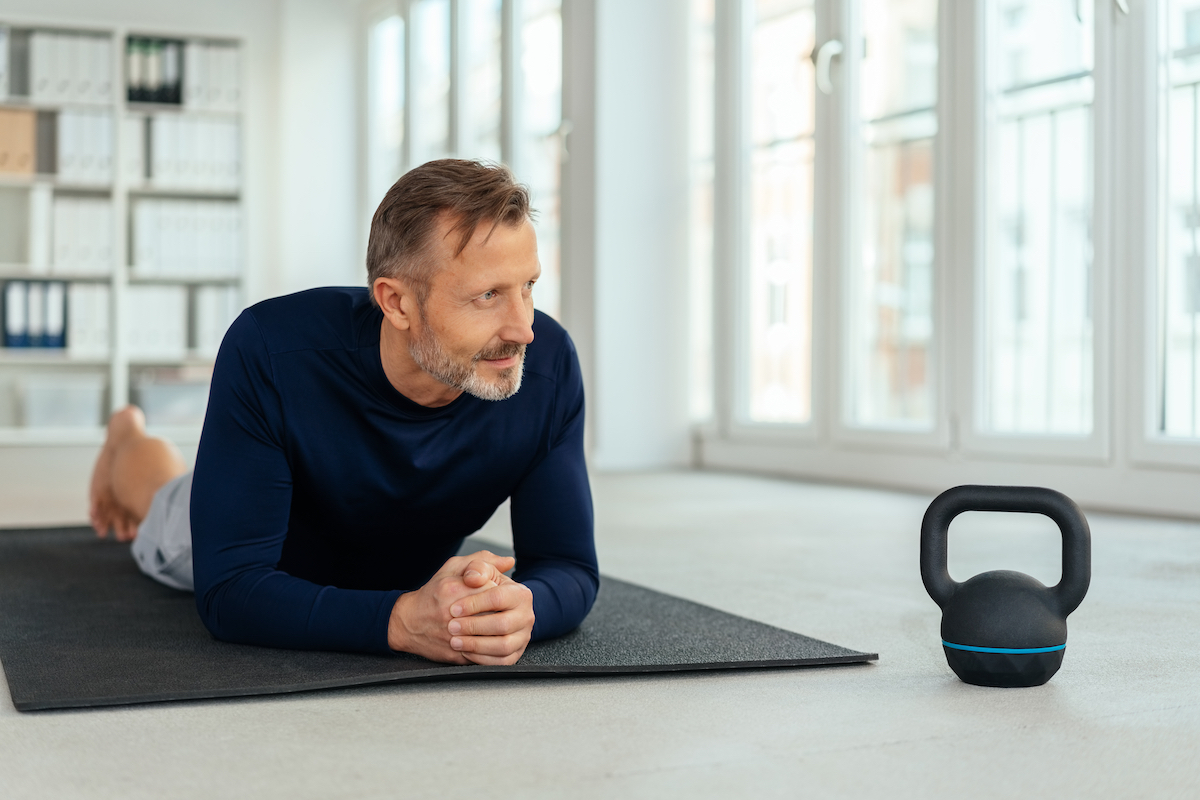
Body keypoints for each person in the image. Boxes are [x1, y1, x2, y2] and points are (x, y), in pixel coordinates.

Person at [87, 159, 598, 667]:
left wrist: (525, 610)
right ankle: (126, 435)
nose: (523, 329)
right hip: (277, 548)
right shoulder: (270, 350)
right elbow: (230, 591)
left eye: (527, 287)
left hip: (395, 560)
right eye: (488, 295)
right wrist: (400, 621)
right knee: (159, 499)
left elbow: (567, 565)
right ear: (395, 303)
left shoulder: (545, 365)